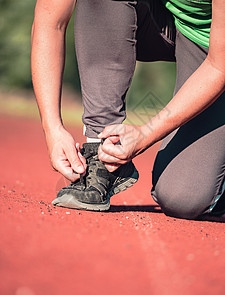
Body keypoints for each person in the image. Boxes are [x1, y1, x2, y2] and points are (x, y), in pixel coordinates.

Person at [31, 0, 225, 219]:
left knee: (182, 197)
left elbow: (219, 66)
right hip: (171, 22)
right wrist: (53, 129)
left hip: (214, 48)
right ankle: (102, 154)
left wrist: (145, 134)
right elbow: (50, 22)